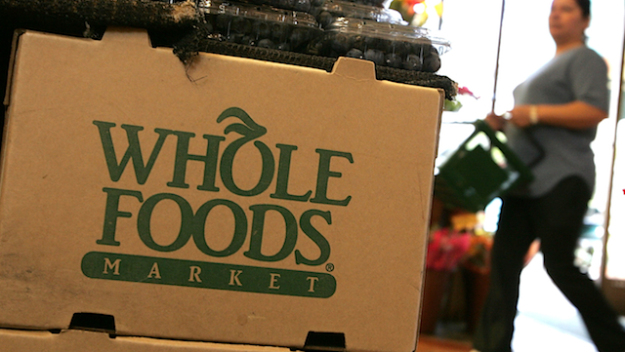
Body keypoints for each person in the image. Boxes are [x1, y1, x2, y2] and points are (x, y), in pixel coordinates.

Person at [471, 0, 625, 351]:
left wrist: (536, 112)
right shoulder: (549, 65)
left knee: (559, 266)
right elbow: (531, 120)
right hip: (524, 183)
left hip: (561, 177)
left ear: (585, 20)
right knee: (504, 266)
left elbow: (594, 109)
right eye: (554, 8)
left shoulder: (584, 58)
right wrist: (506, 122)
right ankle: (490, 347)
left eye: (568, 9)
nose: (556, 14)